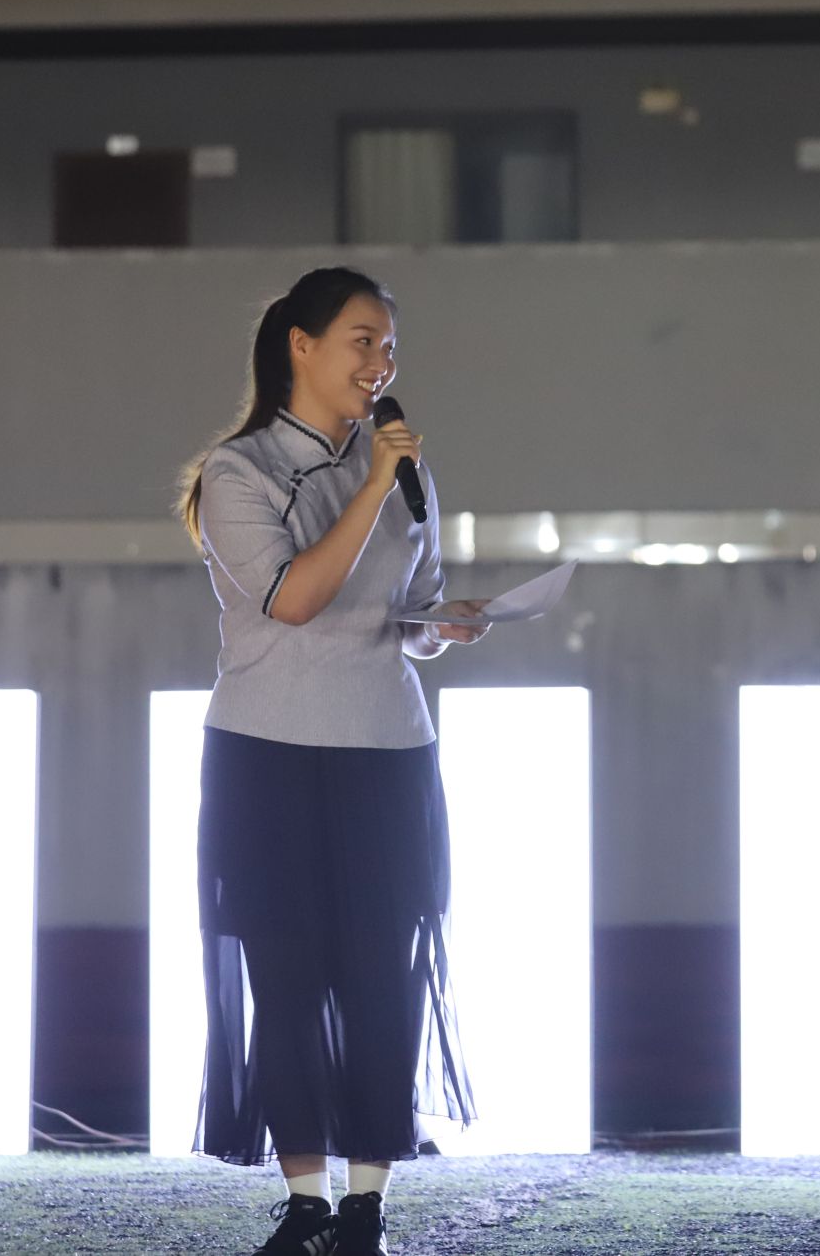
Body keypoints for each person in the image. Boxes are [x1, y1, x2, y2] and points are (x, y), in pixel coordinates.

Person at [176, 267, 485, 1256]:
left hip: (387, 751)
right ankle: (305, 1200)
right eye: (362, 341)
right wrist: (374, 487)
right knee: (287, 974)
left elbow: (404, 614)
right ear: (300, 346)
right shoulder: (238, 472)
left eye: (389, 346)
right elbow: (297, 598)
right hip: (267, 754)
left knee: (382, 976)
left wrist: (442, 624)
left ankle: (365, 1207)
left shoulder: (404, 473)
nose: (381, 362)